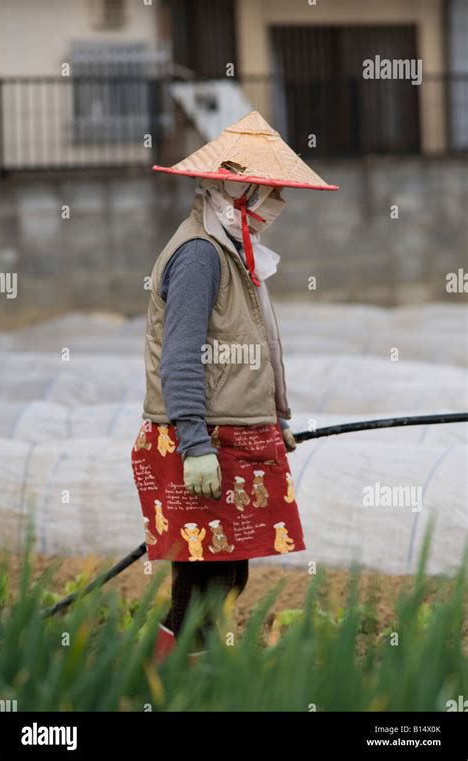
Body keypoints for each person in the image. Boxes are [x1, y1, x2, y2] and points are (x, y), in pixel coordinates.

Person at [131, 110, 338, 659]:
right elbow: (181, 358)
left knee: (219, 574)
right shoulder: (200, 254)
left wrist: (273, 421)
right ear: (236, 185)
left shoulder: (231, 251)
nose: (276, 202)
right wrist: (196, 443)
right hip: (205, 442)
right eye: (268, 189)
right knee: (211, 576)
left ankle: (176, 669)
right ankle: (181, 673)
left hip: (235, 436)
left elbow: (245, 354)